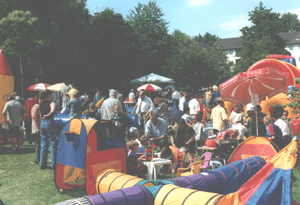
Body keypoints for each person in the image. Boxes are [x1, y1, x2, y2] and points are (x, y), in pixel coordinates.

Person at [39, 90, 57, 169]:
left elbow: (40, 114)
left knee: (43, 143)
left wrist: (43, 117)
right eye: (51, 94)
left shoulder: (41, 103)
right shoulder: (52, 103)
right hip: (49, 122)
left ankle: (42, 163)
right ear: (49, 95)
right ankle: (54, 164)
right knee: (52, 143)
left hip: (42, 123)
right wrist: (47, 115)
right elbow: (52, 111)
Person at [31, 97, 41, 164]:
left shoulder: (38, 106)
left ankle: (39, 158)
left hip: (39, 126)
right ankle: (37, 159)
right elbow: (34, 117)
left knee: (39, 143)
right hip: (37, 127)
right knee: (38, 143)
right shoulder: (36, 106)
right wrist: (37, 127)